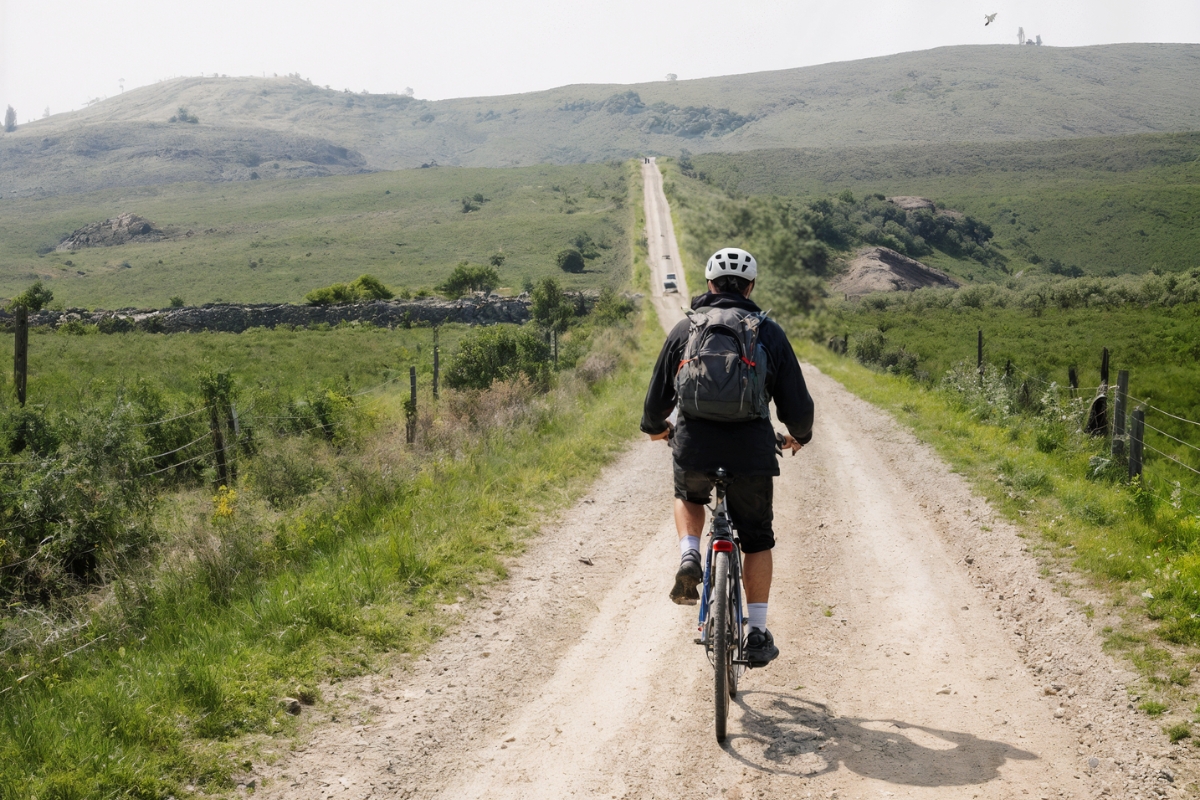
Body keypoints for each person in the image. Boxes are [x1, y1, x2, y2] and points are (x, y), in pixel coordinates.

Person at [640, 247, 814, 666]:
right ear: (751, 287)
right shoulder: (767, 332)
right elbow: (798, 405)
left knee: (689, 493)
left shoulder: (687, 328)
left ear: (709, 285)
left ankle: (689, 553)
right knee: (756, 539)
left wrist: (659, 430)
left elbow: (654, 406)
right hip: (752, 450)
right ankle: (755, 632)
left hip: (695, 445)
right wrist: (797, 436)